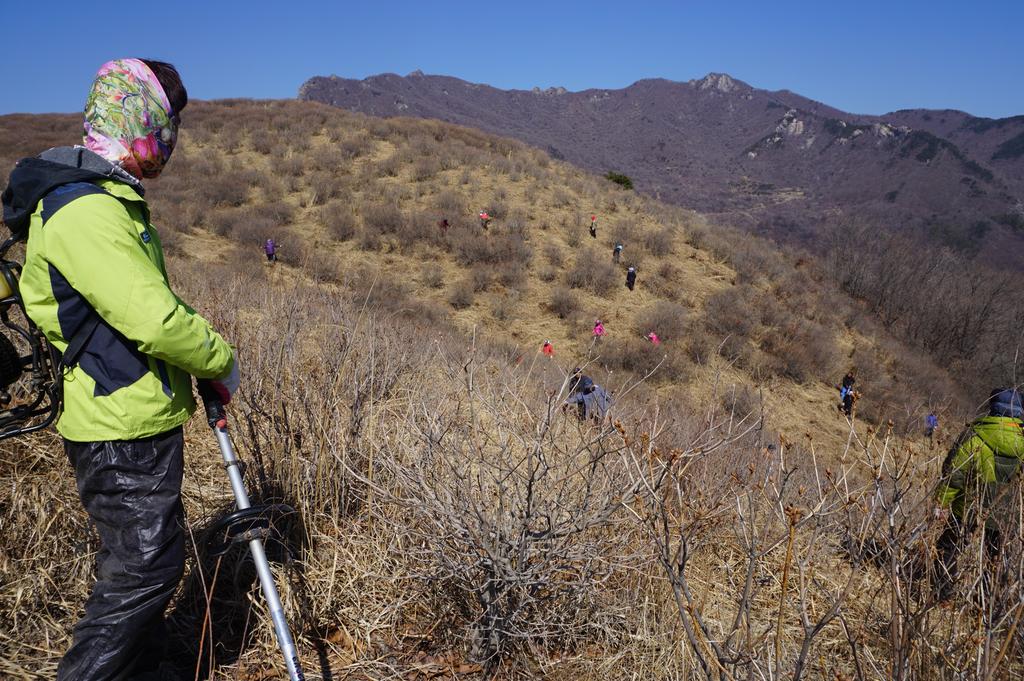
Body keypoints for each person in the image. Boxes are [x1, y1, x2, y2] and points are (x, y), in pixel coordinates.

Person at [2, 59, 238, 680]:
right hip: (117, 424)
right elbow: (153, 320)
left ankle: (144, 669)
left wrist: (197, 364)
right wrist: (220, 360)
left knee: (140, 563)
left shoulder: (106, 198)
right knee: (146, 568)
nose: (169, 144)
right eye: (165, 126)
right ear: (135, 121)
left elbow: (145, 304)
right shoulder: (85, 210)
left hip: (133, 413)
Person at [934, 388, 1024, 599]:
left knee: (947, 549)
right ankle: (985, 606)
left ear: (992, 408)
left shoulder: (974, 436)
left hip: (969, 508)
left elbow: (953, 475)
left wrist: (940, 503)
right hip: (1006, 514)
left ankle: (942, 597)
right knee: (995, 559)